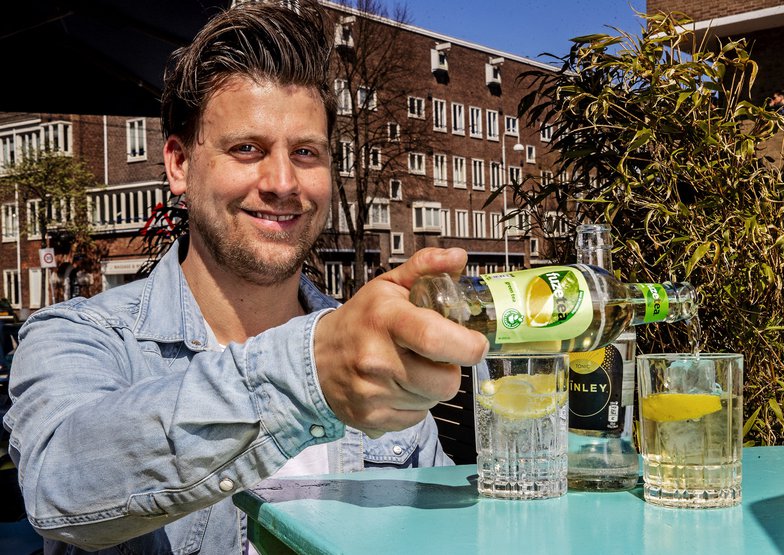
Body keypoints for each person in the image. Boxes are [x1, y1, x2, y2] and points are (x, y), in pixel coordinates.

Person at [2, 2, 487, 553]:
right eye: (247, 149)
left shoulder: (373, 353)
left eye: (306, 152)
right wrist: (309, 374)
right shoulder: (79, 336)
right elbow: (58, 489)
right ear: (179, 164)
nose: (282, 182)